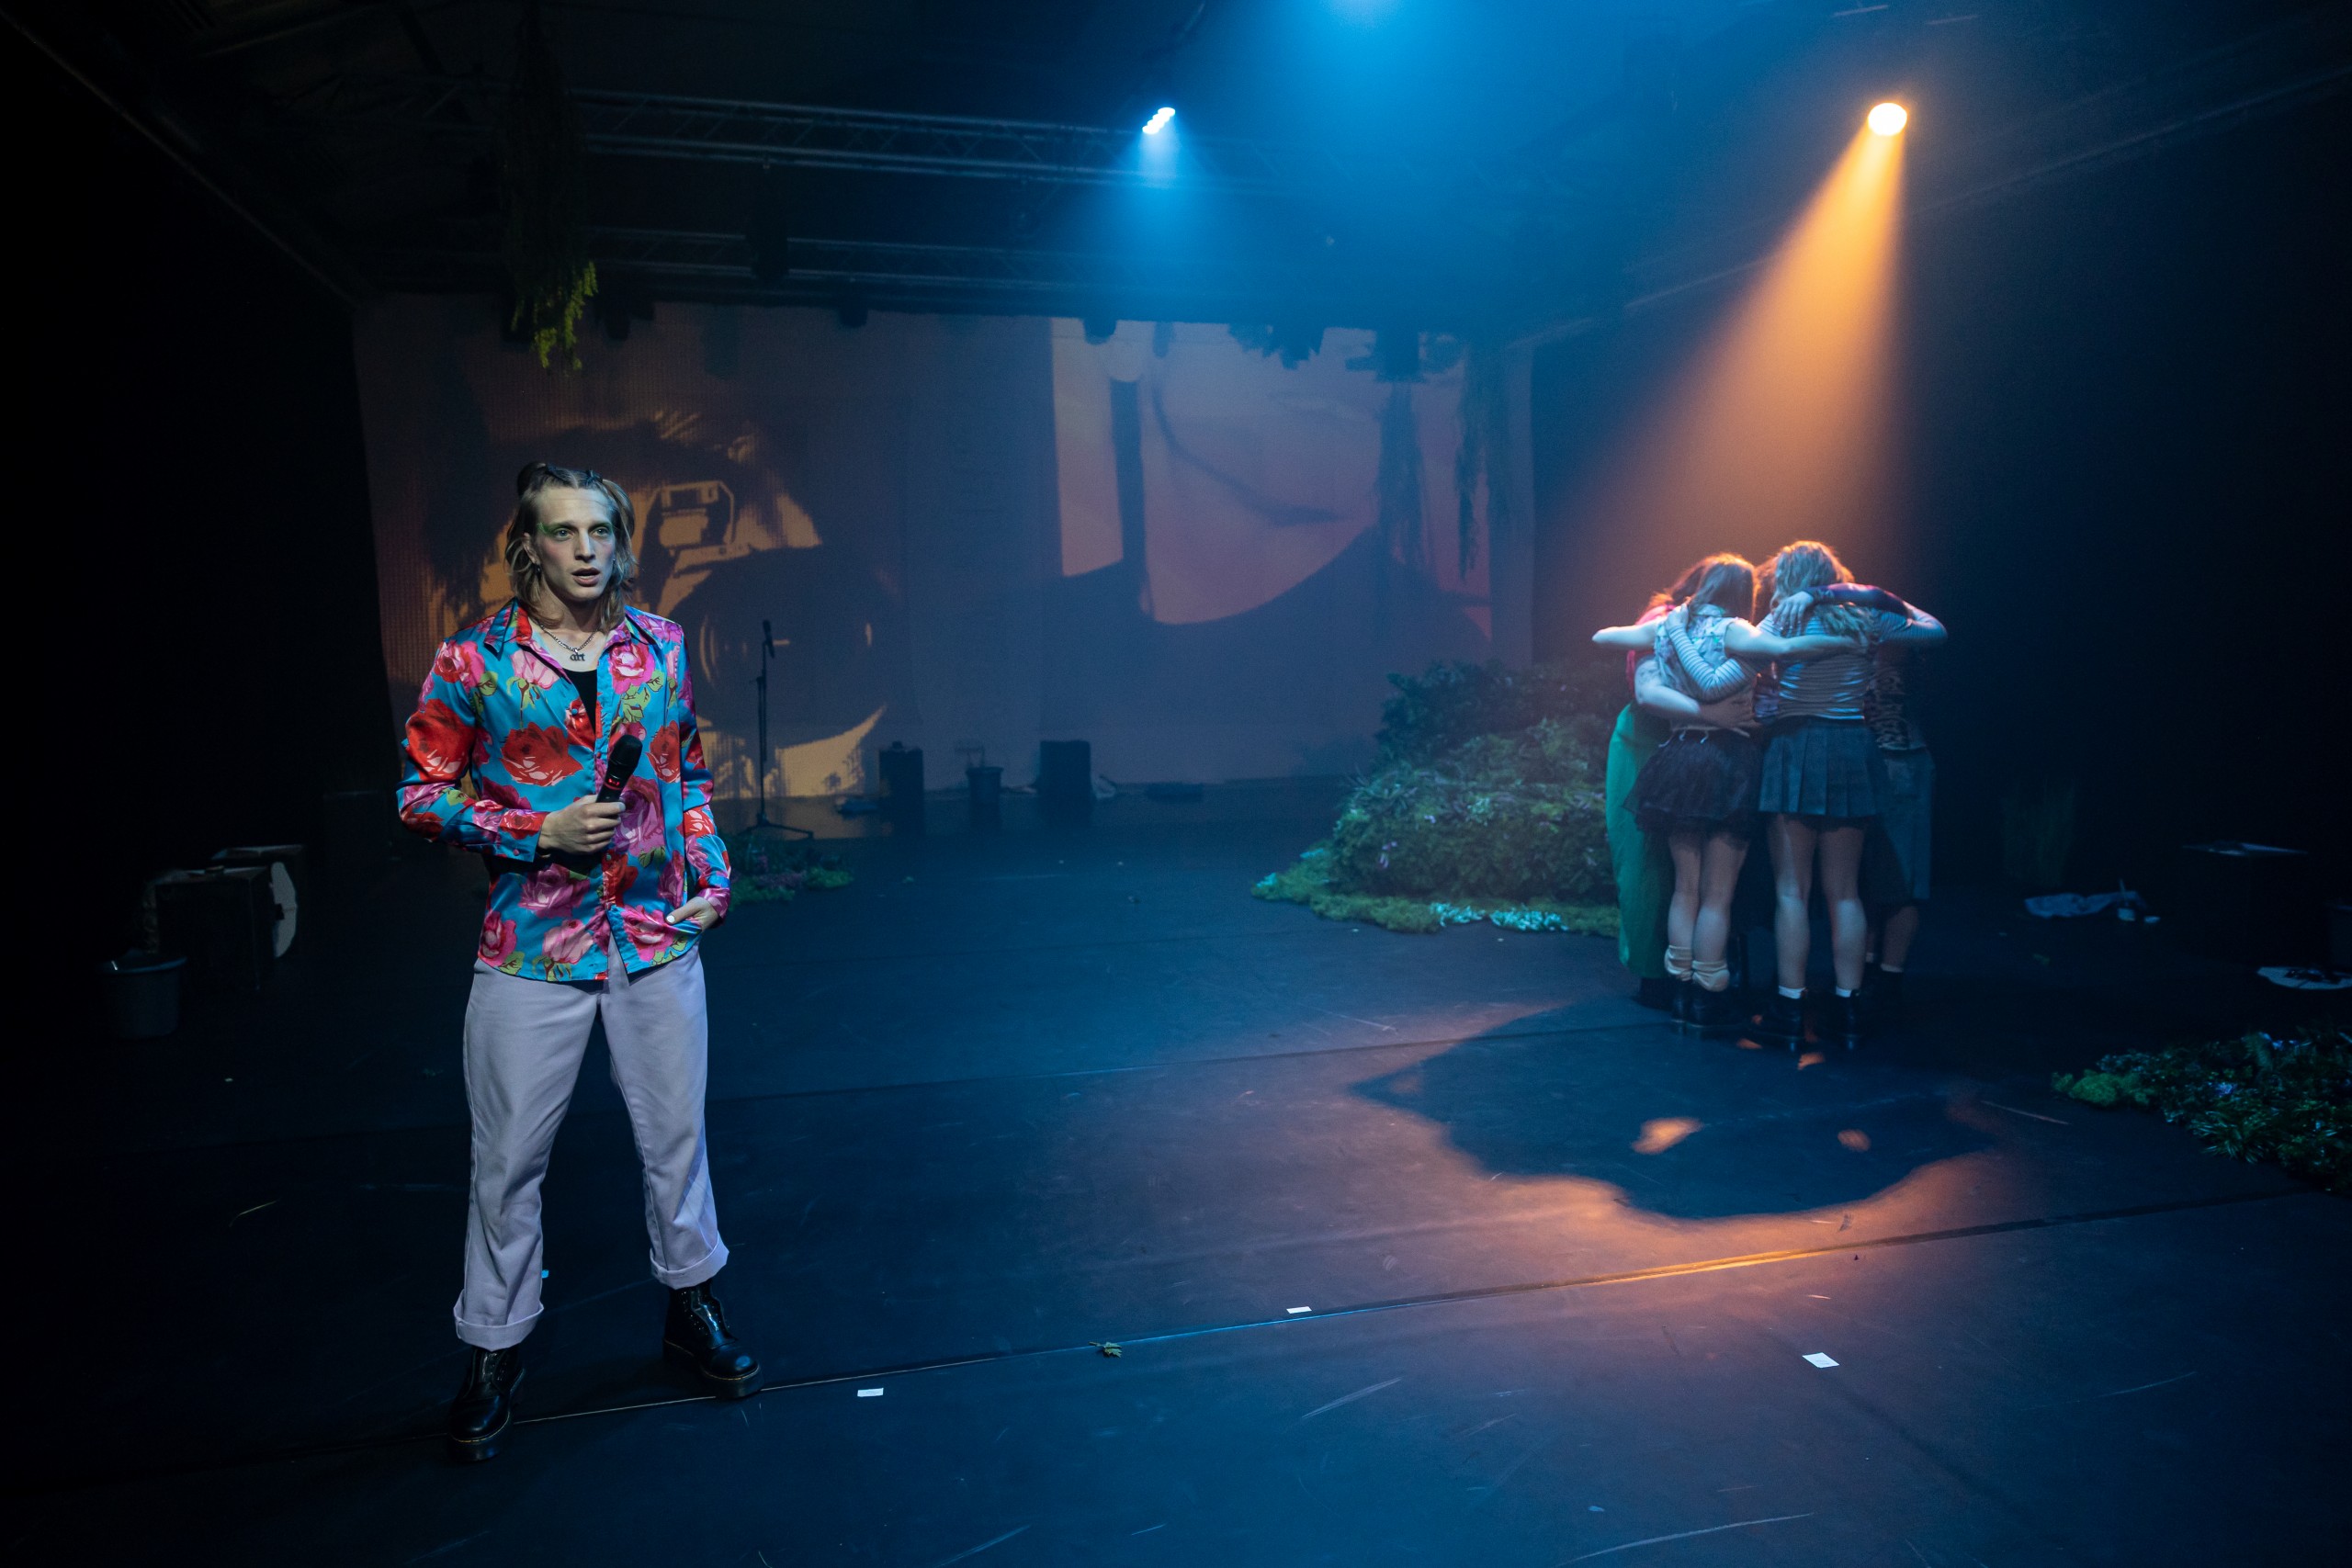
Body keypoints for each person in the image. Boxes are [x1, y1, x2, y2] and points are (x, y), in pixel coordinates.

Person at [399, 463, 760, 1464]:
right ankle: (494, 1347)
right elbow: (419, 795)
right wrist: (535, 830)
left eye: (601, 530)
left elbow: (686, 773)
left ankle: (692, 1308)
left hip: (653, 933)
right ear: (528, 547)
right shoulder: (475, 659)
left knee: (676, 1142)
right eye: (564, 532)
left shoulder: (661, 646)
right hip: (530, 944)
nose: (587, 549)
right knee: (507, 1161)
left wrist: (715, 874)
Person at [1595, 556, 1864, 1032]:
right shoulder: (1737, 631)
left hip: (1678, 759)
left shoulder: (1667, 627)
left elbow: (1604, 638)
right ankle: (1708, 994)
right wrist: (1847, 640)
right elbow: (1785, 648)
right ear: (1745, 595)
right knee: (1717, 896)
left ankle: (1680, 991)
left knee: (1685, 888)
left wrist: (1669, 626)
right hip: (1725, 764)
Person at [1748, 542, 1946, 1049]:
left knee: (1792, 890)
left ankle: (1790, 1008)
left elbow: (1743, 653)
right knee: (1845, 892)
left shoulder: (1782, 620)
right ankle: (1848, 1008)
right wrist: (1861, 595)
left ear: (1788, 579)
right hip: (1851, 747)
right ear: (1833, 576)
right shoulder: (1867, 620)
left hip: (1795, 745)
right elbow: (1934, 629)